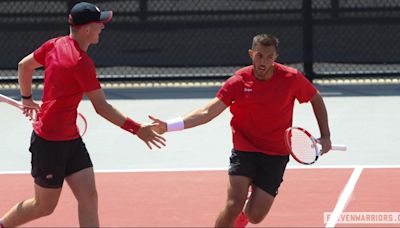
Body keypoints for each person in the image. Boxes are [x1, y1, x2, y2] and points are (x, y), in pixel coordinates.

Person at [0, 2, 165, 227]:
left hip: (71, 139)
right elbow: (101, 107)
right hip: (49, 143)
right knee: (44, 206)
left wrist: (26, 97)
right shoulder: (81, 63)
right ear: (87, 29)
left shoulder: (54, 44)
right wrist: (137, 129)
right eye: (99, 24)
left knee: (88, 196)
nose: (102, 28)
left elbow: (24, 66)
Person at [149, 34, 332, 227]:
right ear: (251, 54)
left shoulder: (291, 78)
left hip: (276, 153)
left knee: (255, 216)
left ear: (275, 57)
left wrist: (326, 134)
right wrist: (168, 126)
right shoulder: (238, 81)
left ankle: (246, 213)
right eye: (259, 55)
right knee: (234, 203)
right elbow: (207, 112)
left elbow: (315, 98)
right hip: (245, 149)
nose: (263, 61)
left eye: (269, 56)